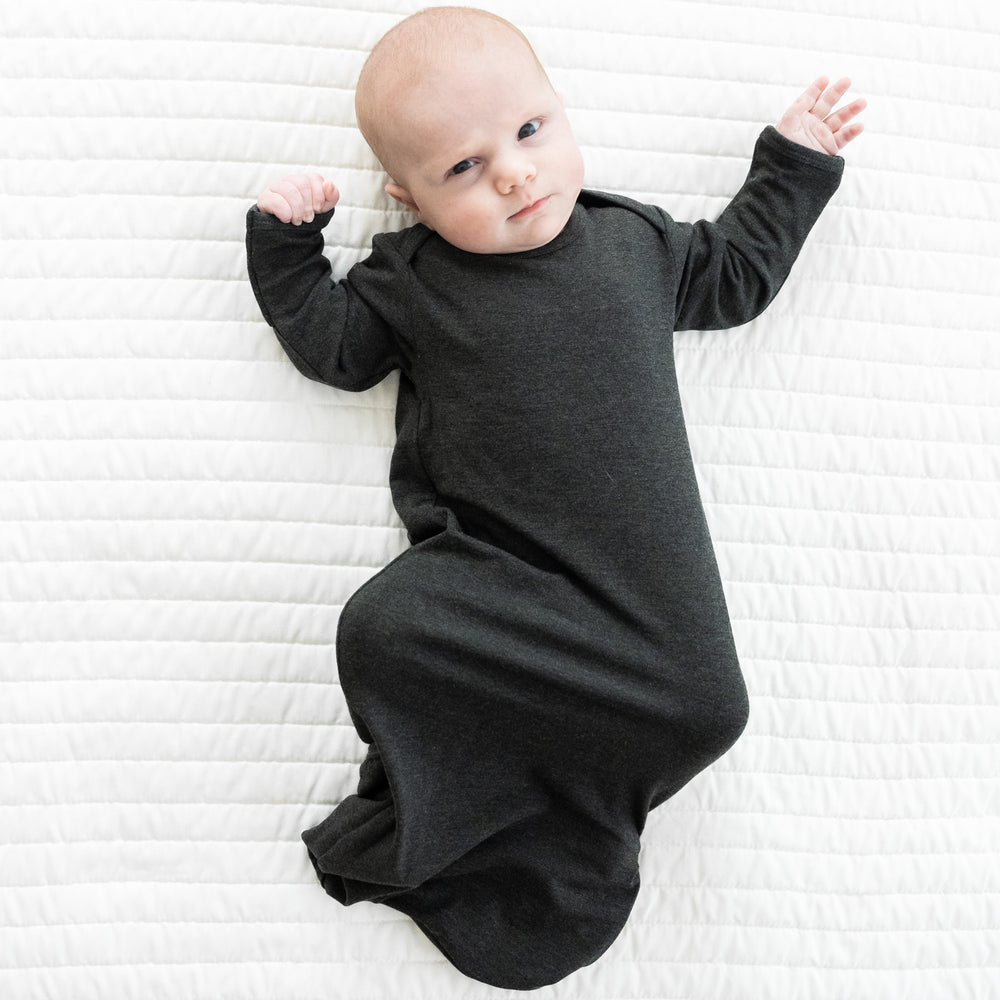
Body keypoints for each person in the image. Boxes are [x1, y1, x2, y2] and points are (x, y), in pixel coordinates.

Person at [245, 6, 864, 990]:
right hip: (503, 579)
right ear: (406, 198)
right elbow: (334, 346)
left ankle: (564, 801)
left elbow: (736, 274)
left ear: (561, 115)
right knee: (383, 628)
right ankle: (494, 795)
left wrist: (792, 163)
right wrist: (285, 249)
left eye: (529, 131)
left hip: (639, 597)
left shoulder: (631, 243)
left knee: (711, 705)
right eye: (463, 168)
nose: (514, 173)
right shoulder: (410, 280)